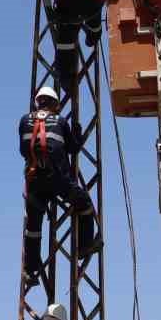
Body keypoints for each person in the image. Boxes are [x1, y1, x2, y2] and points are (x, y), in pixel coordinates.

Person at [19, 83, 97, 288]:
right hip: (58, 180)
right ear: (54, 104)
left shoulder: (24, 120)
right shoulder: (60, 121)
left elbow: (23, 150)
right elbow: (73, 148)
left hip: (34, 181)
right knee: (84, 203)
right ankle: (85, 246)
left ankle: (30, 270)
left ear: (38, 103)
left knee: (33, 227)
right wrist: (77, 132)